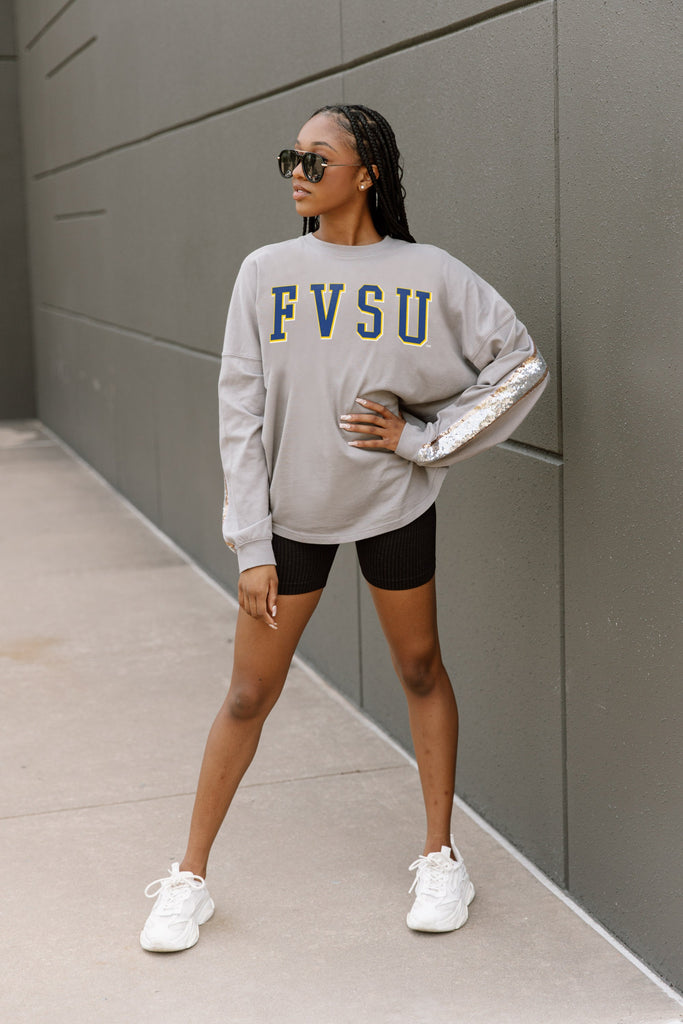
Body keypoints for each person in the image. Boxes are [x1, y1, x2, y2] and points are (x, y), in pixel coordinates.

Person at [140, 103, 548, 953]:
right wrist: (252, 544)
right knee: (247, 694)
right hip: (291, 519)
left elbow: (521, 364)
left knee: (420, 669)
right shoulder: (265, 272)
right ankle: (189, 878)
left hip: (394, 503)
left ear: (366, 174)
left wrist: (423, 440)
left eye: (315, 159)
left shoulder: (429, 272)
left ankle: (440, 857)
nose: (297, 172)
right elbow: (239, 412)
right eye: (290, 157)